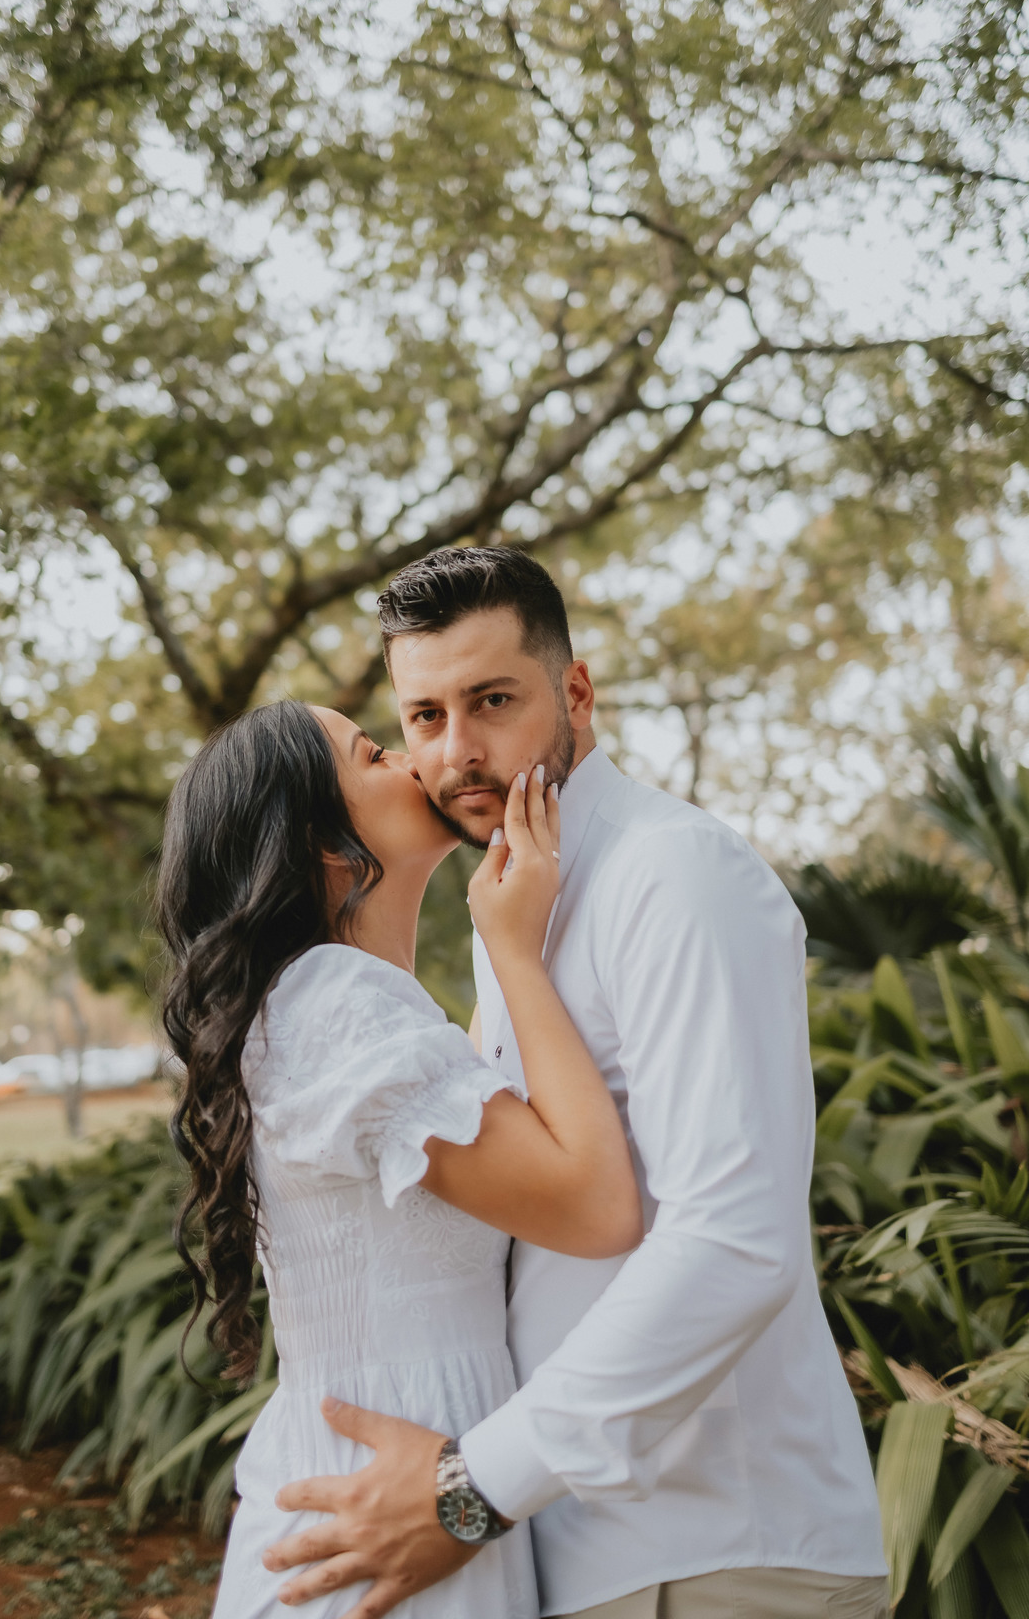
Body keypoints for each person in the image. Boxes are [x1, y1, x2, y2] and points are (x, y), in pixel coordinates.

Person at [262, 547, 889, 1619]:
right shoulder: (514, 906)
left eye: (493, 701)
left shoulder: (672, 875)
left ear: (577, 694)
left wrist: (473, 1486)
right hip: (580, 1550)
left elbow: (734, 1237)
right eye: (423, 717)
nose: (456, 752)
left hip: (717, 1550)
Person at [154, 695, 642, 1619]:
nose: (419, 761)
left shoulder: (348, 1008)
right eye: (374, 754)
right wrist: (516, 953)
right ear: (319, 845)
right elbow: (596, 1206)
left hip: (398, 1487)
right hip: (379, 1509)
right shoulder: (336, 1006)